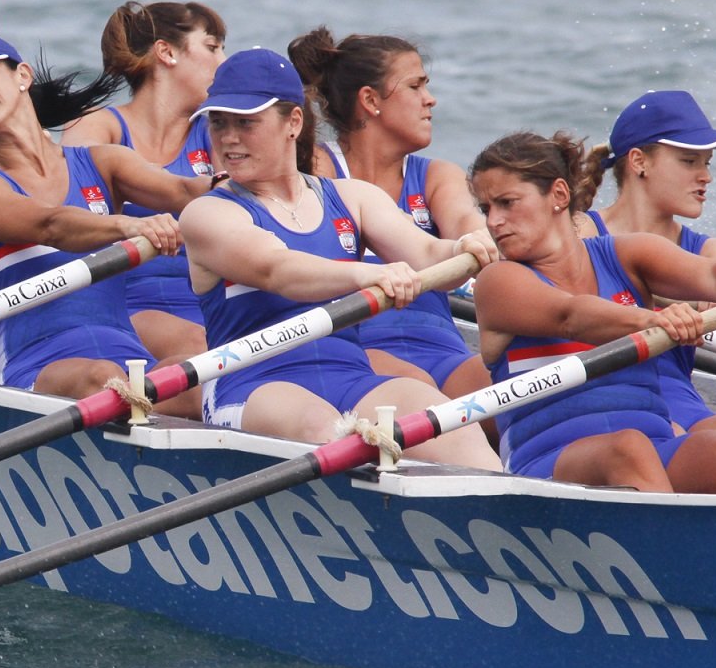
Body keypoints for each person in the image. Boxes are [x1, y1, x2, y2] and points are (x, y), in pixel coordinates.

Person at [178, 50, 501, 468]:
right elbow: (278, 270)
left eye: (246, 123)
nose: (228, 138)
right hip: (253, 383)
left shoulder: (353, 198)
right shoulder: (208, 213)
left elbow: (425, 254)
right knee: (323, 429)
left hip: (351, 377)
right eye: (218, 123)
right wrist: (370, 274)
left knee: (449, 424)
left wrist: (463, 248)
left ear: (293, 123)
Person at [469, 131, 716, 493]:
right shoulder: (499, 282)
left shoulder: (626, 254)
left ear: (558, 195)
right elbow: (570, 315)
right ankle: (676, 543)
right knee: (627, 448)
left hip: (652, 449)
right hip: (548, 463)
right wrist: (653, 321)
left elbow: (713, 275)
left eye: (506, 203)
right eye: (486, 209)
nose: (493, 221)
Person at [0, 31, 205, 404]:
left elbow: (185, 191)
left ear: (22, 76)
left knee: (199, 372)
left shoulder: (104, 162)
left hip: (128, 361)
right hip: (37, 368)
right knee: (101, 377)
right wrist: (130, 225)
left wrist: (256, 180)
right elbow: (52, 225)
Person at [294, 27, 489, 400]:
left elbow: (467, 224)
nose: (430, 100)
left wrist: (479, 239)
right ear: (370, 100)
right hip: (355, 348)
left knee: (521, 389)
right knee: (420, 392)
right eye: (415, 87)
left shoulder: (436, 176)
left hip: (443, 349)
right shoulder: (316, 168)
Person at [580, 89, 716, 438]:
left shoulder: (712, 251)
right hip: (600, 393)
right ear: (639, 162)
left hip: (679, 402)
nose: (705, 176)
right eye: (688, 161)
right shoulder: (580, 232)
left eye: (706, 162)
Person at [60, 1, 225, 363]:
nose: (223, 62)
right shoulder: (96, 128)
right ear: (166, 52)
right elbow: (70, 213)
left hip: (210, 301)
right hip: (127, 303)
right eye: (213, 47)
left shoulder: (217, 131)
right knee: (202, 347)